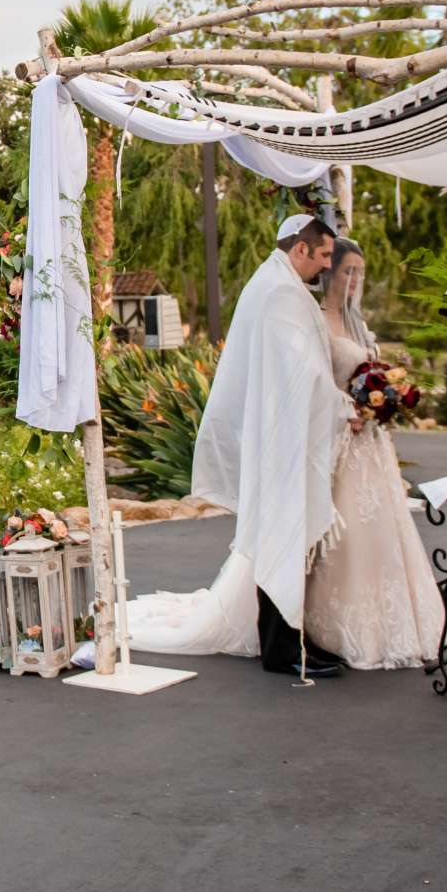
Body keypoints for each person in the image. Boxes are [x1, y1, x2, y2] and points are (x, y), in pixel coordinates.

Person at [120, 214, 359, 679]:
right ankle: (282, 648)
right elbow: (300, 372)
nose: (329, 264)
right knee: (282, 539)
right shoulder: (279, 294)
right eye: (325, 254)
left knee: (288, 539)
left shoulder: (278, 283)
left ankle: (291, 639)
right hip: (281, 443)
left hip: (284, 437)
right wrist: (342, 405)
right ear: (301, 249)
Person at [300, 239, 445, 668]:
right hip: (341, 440)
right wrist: (349, 408)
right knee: (345, 533)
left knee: (383, 531)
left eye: (360, 273)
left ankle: (396, 622)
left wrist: (388, 396)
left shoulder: (358, 324)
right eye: (348, 271)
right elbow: (317, 381)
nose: (355, 280)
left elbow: (371, 373)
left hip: (371, 443)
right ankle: (330, 622)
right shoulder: (318, 321)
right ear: (330, 273)